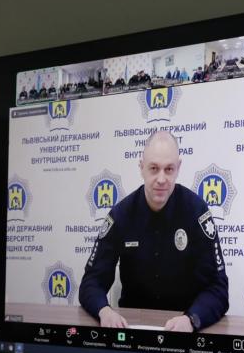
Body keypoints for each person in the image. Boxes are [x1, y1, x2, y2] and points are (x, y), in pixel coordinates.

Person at [79, 131, 228, 332]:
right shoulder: (121, 215)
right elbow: (91, 281)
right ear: (141, 167)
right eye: (154, 168)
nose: (161, 179)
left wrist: (192, 319)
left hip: (182, 328)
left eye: (169, 169)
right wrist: (104, 311)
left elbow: (218, 288)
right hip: (131, 328)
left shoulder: (197, 212)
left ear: (178, 168)